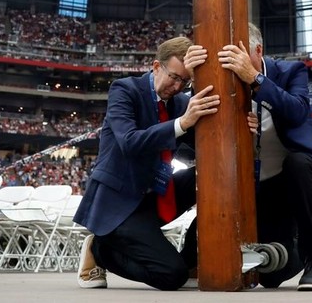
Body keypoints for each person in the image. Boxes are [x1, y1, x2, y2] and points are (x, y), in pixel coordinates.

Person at [74, 36, 221, 291]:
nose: (177, 86)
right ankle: (100, 249)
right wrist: (182, 124)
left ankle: (192, 258)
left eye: (185, 81)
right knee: (172, 277)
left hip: (154, 195)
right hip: (119, 203)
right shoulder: (124, 90)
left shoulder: (183, 102)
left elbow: (197, 146)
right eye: (174, 77)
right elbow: (129, 142)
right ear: (156, 66)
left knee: (210, 176)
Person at [213, 23, 312, 291]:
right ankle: (307, 250)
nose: (233, 62)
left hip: (296, 174)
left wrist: (255, 79)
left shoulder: (290, 70)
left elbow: (297, 111)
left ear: (258, 50)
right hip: (262, 186)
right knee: (272, 276)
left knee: (297, 163)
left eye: (239, 53)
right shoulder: (222, 81)